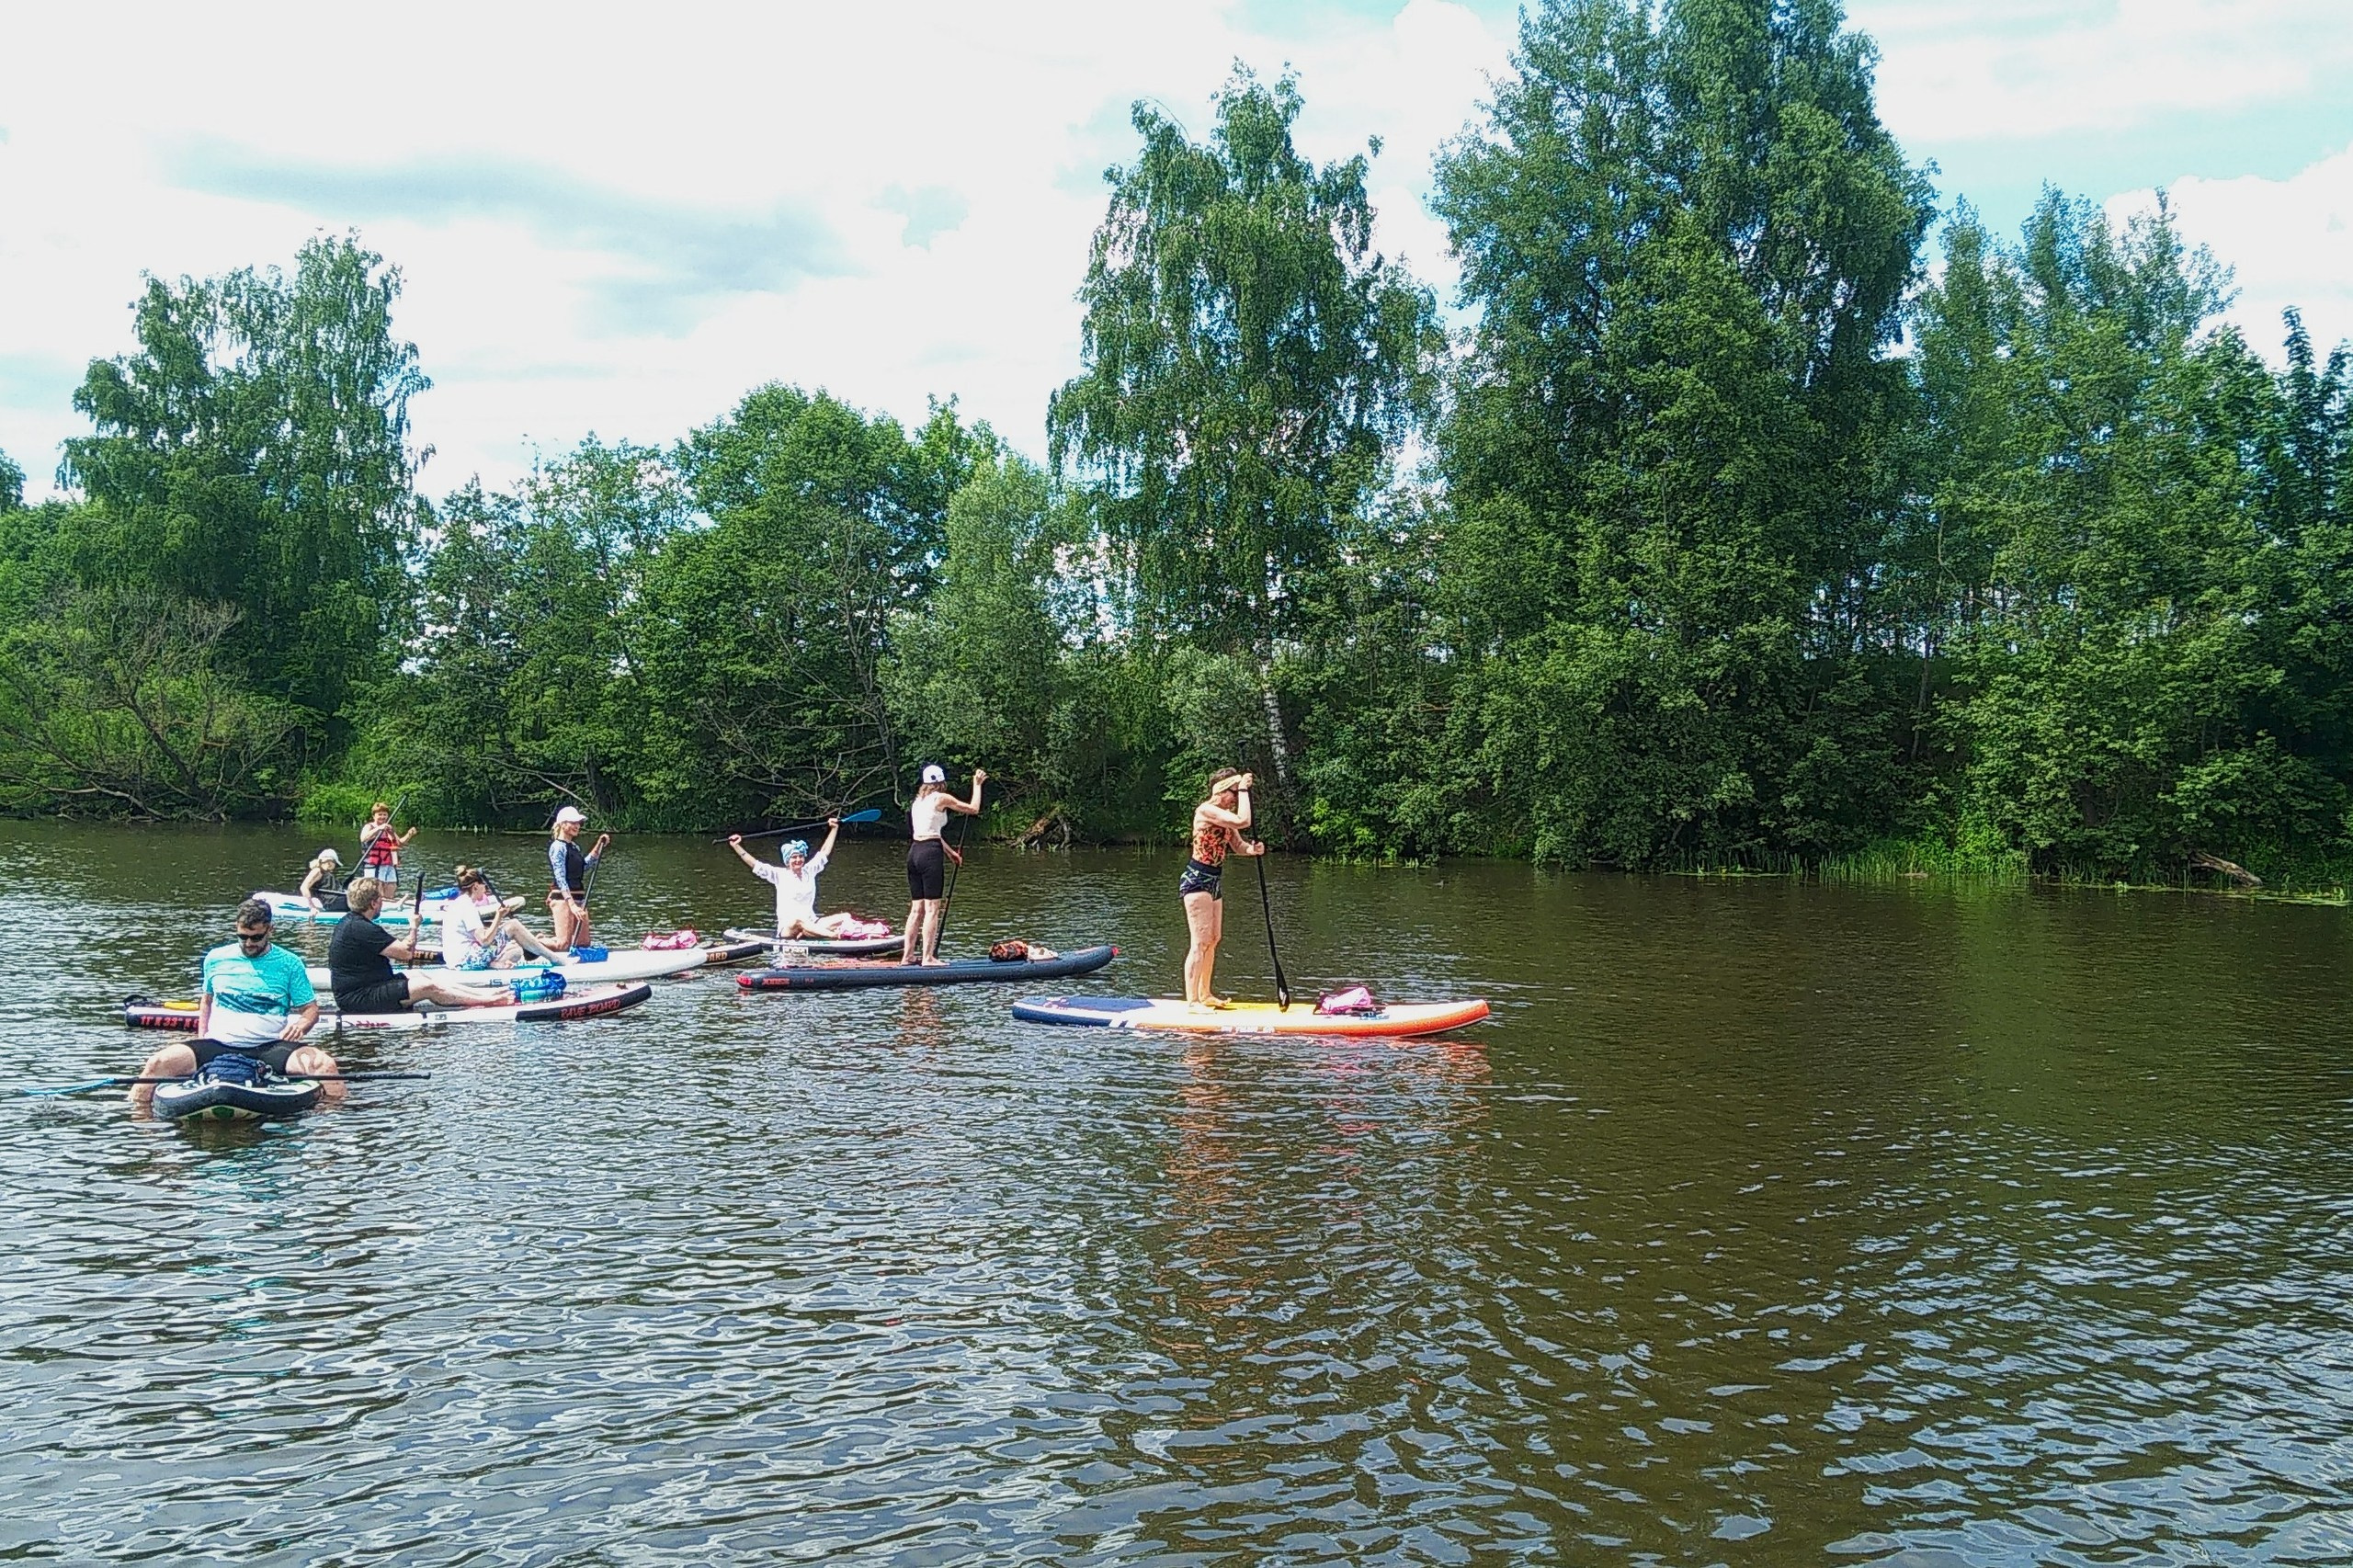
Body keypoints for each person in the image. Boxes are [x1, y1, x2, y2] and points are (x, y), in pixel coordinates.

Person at [129, 898, 343, 1107]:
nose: (249, 943)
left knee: (325, 1066)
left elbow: (310, 1010)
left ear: (270, 930)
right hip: (217, 1045)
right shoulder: (215, 958)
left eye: (256, 938)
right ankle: (141, 1124)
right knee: (157, 1063)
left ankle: (334, 1124)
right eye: (242, 936)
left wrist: (300, 1026)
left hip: (270, 1047)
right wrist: (202, 1036)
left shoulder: (290, 963)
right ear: (236, 928)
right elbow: (207, 1001)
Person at [328, 878, 511, 1014]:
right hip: (359, 997)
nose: (382, 904)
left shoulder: (353, 922)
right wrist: (414, 927)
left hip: (372, 984)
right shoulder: (361, 928)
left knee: (419, 974)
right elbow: (406, 954)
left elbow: (400, 949)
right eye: (381, 900)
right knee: (426, 987)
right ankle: (489, 1000)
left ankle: (482, 994)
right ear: (373, 903)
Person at [1181, 767, 1266, 1010]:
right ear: (1221, 790)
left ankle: (1205, 994)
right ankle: (1193, 1001)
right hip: (1197, 879)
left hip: (1215, 879)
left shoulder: (1225, 815)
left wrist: (1252, 850)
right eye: (1233, 794)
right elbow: (1244, 820)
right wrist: (1243, 789)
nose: (1234, 799)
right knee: (1199, 941)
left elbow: (1238, 845)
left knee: (1214, 938)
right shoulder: (1206, 811)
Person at [902, 765, 984, 966]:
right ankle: (928, 958)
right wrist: (977, 785)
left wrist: (951, 853)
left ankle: (908, 956)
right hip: (930, 855)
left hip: (914, 853)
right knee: (932, 909)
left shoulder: (917, 802)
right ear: (940, 782)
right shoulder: (941, 798)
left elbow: (930, 833)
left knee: (916, 910)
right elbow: (973, 809)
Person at [728, 818, 856, 939]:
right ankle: (834, 936)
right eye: (794, 857)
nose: (798, 860)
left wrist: (834, 828)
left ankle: (812, 933)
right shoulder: (779, 875)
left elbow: (824, 852)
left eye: (800, 856)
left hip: (813, 922)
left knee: (845, 917)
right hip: (789, 928)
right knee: (799, 921)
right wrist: (737, 846)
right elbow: (755, 864)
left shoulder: (809, 870)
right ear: (787, 861)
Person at [443, 865, 569, 969]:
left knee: (516, 951)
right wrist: (499, 916)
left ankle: (495, 964)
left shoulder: (457, 904)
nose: (486, 889)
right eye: (484, 886)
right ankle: (556, 959)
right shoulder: (467, 906)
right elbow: (485, 941)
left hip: (456, 961)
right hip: (466, 961)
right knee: (513, 925)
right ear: (475, 886)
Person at [547, 806, 610, 950]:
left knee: (583, 944)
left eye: (579, 823)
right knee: (563, 944)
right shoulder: (558, 847)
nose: (577, 826)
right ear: (563, 824)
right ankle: (531, 942)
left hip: (580, 899)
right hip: (563, 900)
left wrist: (599, 846)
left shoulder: (574, 846)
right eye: (573, 822)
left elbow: (585, 866)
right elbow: (560, 877)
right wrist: (571, 905)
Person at [358, 801, 417, 888]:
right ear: (374, 816)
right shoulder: (369, 826)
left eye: (384, 815)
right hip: (374, 865)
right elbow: (363, 838)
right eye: (380, 814)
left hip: (388, 864)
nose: (382, 817)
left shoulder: (388, 828)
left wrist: (409, 834)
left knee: (392, 887)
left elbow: (399, 843)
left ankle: (389, 901)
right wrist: (379, 828)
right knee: (376, 890)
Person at [298, 847, 348, 913]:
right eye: (335, 864)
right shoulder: (317, 871)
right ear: (330, 863)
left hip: (338, 899)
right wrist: (312, 907)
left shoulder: (325, 872)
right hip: (332, 902)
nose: (335, 867)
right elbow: (304, 887)